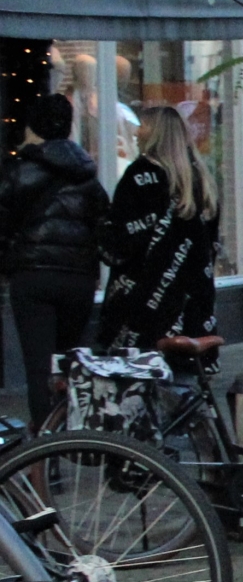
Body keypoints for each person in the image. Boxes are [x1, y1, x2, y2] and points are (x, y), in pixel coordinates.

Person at [0, 93, 108, 428]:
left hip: (32, 278)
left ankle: (45, 455)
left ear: (34, 126)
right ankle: (69, 436)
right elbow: (104, 228)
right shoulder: (87, 176)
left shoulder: (19, 172)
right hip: (77, 280)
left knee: (38, 369)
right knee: (68, 362)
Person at [97, 105, 219, 357]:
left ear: (154, 134)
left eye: (142, 127)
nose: (136, 133)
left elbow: (121, 242)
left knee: (139, 375)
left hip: (141, 303)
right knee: (184, 375)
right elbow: (210, 243)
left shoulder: (141, 176)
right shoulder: (200, 180)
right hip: (192, 299)